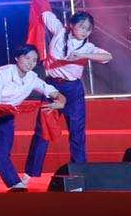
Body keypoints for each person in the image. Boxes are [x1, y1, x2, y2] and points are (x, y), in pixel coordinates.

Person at [24, 9, 110, 177]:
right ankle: (30, 174)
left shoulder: (88, 47)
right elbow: (44, 12)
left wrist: (83, 55)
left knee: (77, 132)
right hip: (52, 88)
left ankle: (80, 173)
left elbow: (108, 56)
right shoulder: (60, 31)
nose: (84, 31)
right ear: (71, 25)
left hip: (73, 90)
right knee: (43, 130)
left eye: (88, 29)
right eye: (81, 27)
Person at [0, 44, 66, 193]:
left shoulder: (32, 78)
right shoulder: (2, 72)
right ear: (17, 58)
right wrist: (17, 108)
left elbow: (51, 91)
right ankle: (15, 184)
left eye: (34, 60)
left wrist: (61, 101)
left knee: (4, 152)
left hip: (7, 112)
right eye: (27, 58)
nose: (30, 63)